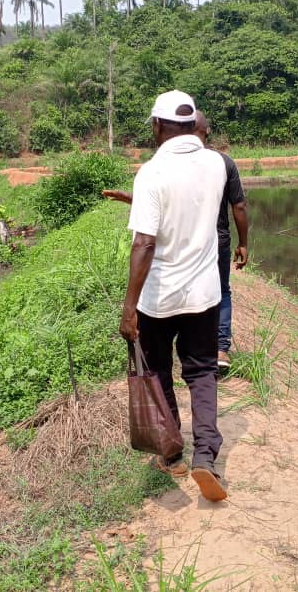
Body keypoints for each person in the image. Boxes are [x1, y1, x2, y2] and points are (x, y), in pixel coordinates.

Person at [118, 90, 228, 502]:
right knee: (201, 372)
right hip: (203, 294)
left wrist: (129, 308)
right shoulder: (216, 164)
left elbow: (145, 242)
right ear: (191, 124)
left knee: (159, 371)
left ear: (158, 126)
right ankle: (206, 457)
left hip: (159, 299)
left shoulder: (150, 173)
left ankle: (172, 454)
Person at [105, 113, 248, 373]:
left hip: (194, 242)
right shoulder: (219, 163)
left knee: (205, 290)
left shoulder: (165, 166)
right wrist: (244, 242)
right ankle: (218, 348)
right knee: (220, 291)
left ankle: (201, 347)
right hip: (216, 242)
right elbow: (237, 205)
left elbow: (167, 210)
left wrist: (129, 307)